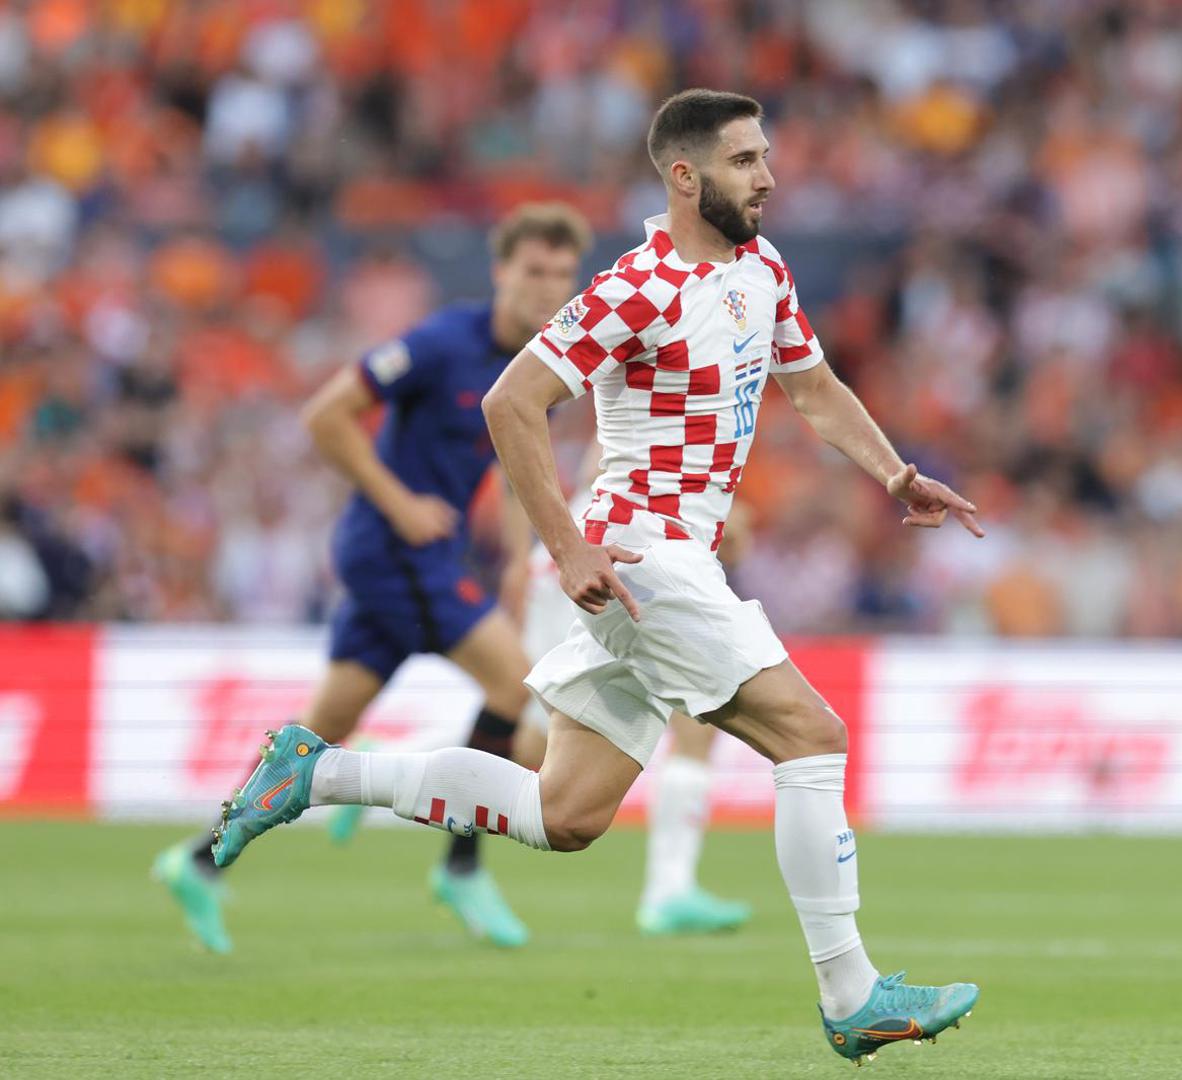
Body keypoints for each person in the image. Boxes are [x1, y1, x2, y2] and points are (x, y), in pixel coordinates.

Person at [209, 89, 983, 1065]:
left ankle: (314, 771)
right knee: (811, 734)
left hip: (671, 558)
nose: (770, 177)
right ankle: (851, 993)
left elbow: (814, 389)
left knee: (563, 813)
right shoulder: (637, 286)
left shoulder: (765, 269)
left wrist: (896, 474)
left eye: (767, 156)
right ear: (686, 177)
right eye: (746, 161)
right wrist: (567, 546)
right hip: (639, 550)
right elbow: (512, 401)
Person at [153, 202, 594, 954]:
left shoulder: (536, 365)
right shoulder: (439, 342)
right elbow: (326, 414)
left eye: (560, 274)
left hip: (424, 556)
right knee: (514, 690)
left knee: (317, 733)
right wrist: (400, 501)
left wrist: (522, 558)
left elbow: (525, 473)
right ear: (500, 272)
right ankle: (457, 863)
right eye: (532, 271)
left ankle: (197, 858)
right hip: (393, 548)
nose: (546, 287)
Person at [522, 464, 754, 936]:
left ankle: (672, 889)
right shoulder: (676, 403)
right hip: (615, 553)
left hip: (594, 551)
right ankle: (669, 891)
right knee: (538, 744)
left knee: (538, 739)